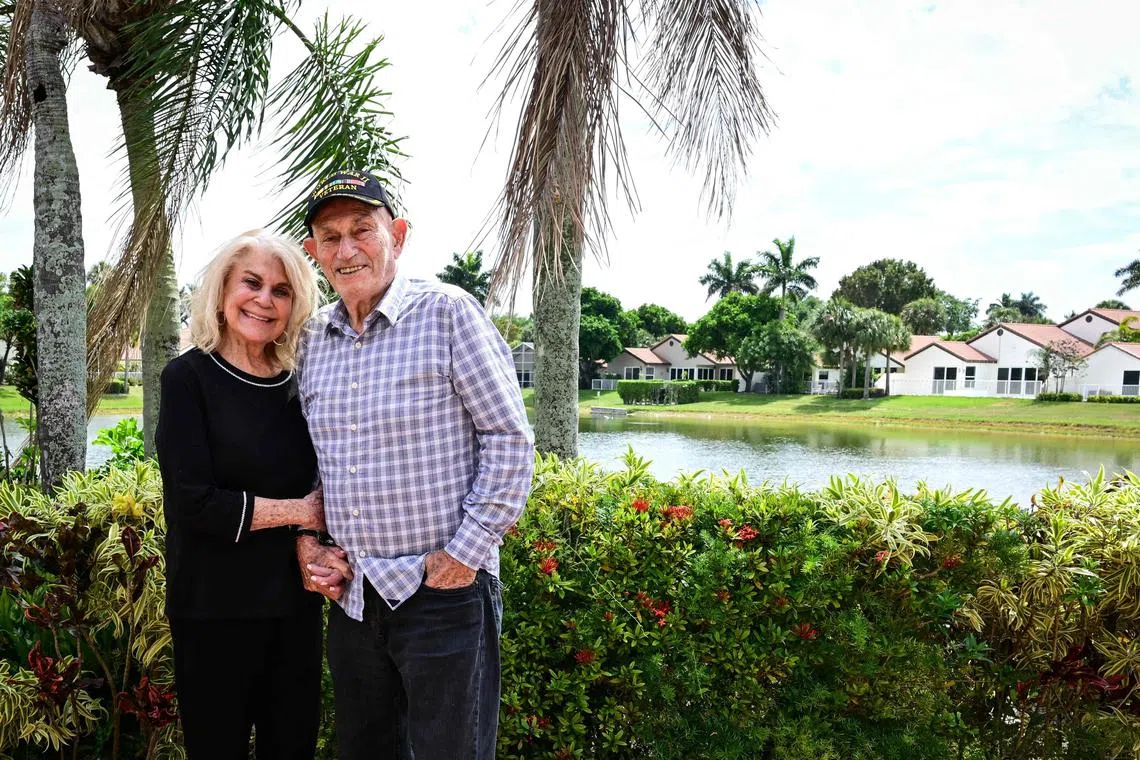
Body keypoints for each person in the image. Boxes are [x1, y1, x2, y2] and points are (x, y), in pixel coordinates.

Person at [294, 170, 534, 760]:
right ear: (313, 253)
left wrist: (463, 556)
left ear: (396, 235)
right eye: (330, 237)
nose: (346, 250)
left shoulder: (448, 313)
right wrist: (309, 540)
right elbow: (310, 461)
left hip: (443, 594)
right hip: (353, 599)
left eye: (362, 231)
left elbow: (509, 438)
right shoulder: (311, 340)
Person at [155, 230, 332, 760]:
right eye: (251, 283)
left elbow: (327, 477)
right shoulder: (187, 378)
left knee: (292, 748)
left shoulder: (302, 382)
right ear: (223, 290)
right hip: (212, 608)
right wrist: (301, 511)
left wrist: (309, 530)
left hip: (294, 608)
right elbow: (192, 504)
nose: (264, 300)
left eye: (281, 291)